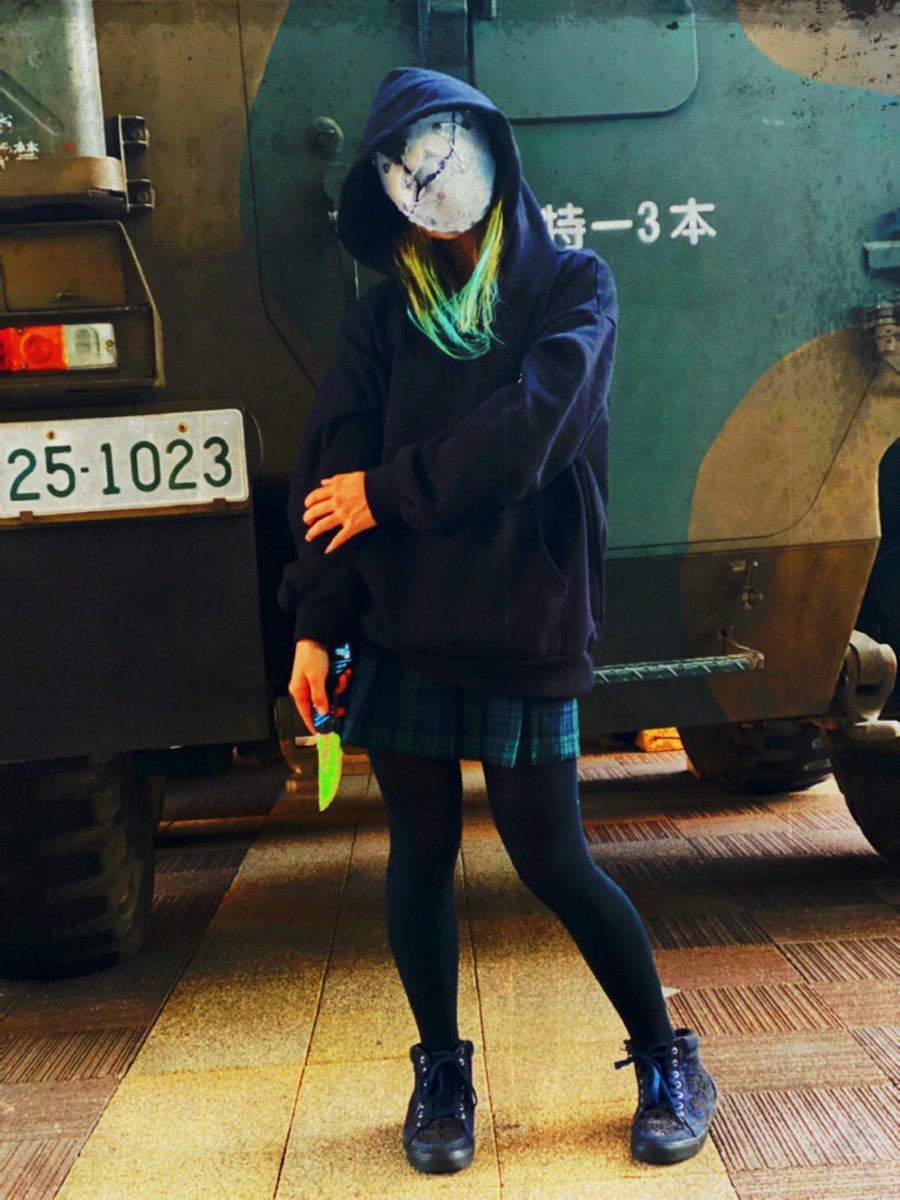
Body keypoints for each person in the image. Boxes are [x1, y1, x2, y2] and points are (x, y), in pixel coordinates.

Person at [278, 65, 718, 1176]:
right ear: (383, 190)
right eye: (404, 166)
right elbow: (332, 481)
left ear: (492, 152)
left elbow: (533, 432)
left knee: (552, 857)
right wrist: (314, 626)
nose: (428, 178)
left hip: (525, 619)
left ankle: (668, 1056)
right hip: (403, 626)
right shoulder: (382, 316)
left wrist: (393, 490)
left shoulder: (573, 286)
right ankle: (441, 1072)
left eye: (444, 151)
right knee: (419, 852)